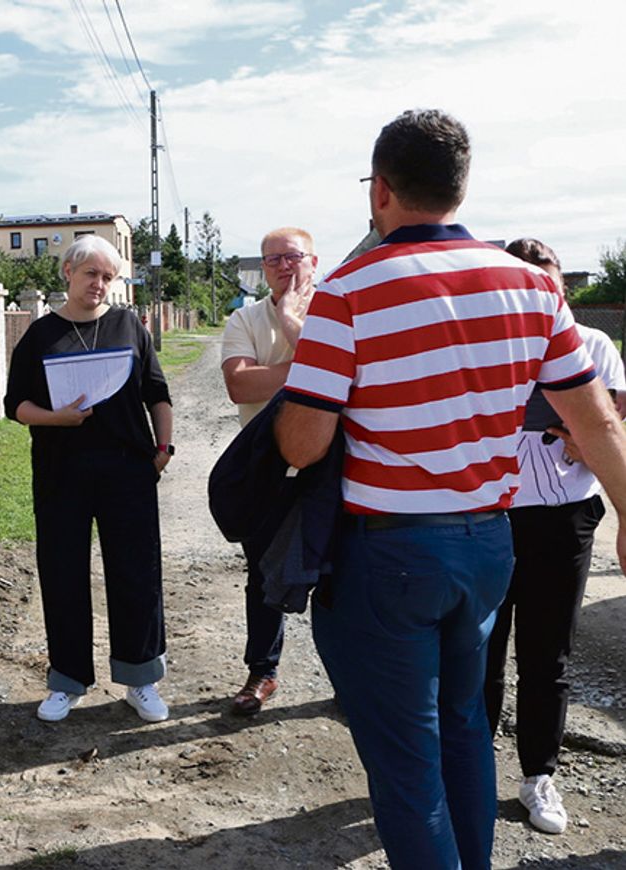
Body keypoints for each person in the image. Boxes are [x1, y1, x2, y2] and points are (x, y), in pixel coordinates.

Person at [275, 108, 626, 869]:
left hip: (390, 553)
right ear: (460, 190)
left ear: (379, 191)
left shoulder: (349, 290)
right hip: (487, 545)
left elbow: (304, 444)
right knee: (465, 727)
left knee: (405, 762)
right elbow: (596, 423)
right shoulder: (532, 287)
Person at [483, 238, 626, 835]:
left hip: (565, 514)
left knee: (548, 654)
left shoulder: (593, 346)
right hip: (491, 514)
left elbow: (614, 420)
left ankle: (538, 775)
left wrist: (583, 435)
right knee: (479, 651)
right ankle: (467, 765)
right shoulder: (487, 345)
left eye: (550, 283)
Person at [4, 235, 174, 724]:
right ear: (68, 274)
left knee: (137, 574)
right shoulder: (40, 335)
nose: (98, 284)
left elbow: (157, 392)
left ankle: (141, 679)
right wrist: (57, 418)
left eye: (107, 276)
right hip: (62, 471)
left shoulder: (129, 326)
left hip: (128, 470)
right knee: (62, 572)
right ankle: (67, 680)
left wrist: (163, 448)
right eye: (90, 274)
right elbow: (15, 405)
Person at [220, 226, 317, 715]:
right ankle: (263, 672)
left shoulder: (338, 313)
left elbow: (360, 379)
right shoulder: (245, 318)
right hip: (266, 467)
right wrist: (317, 369)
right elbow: (239, 386)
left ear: (313, 262)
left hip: (331, 466)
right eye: (272, 259)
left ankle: (348, 679)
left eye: (292, 256)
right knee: (263, 574)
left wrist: (293, 328)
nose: (283, 266)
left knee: (341, 575)